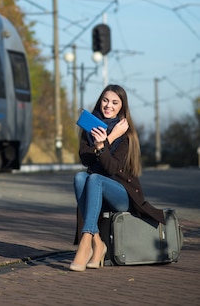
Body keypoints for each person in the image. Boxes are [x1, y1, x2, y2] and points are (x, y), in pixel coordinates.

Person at [70, 84, 165, 272]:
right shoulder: (90, 127)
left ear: (122, 106)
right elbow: (85, 159)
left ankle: (86, 240)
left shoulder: (125, 133)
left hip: (122, 194)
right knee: (81, 178)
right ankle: (99, 244)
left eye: (115, 102)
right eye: (105, 100)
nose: (108, 106)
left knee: (94, 179)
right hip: (96, 191)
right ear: (100, 101)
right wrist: (105, 141)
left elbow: (111, 168)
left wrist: (108, 140)